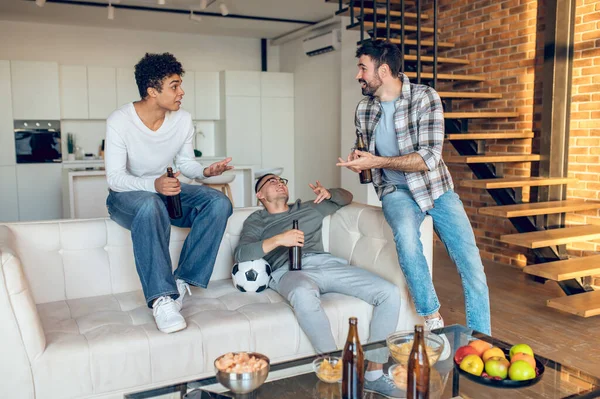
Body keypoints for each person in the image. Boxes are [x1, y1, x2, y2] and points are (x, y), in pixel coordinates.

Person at [337, 40, 491, 336]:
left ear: (383, 70)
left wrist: (377, 160)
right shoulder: (364, 109)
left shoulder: (424, 98)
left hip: (436, 189)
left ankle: (481, 337)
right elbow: (366, 152)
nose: (358, 75)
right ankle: (432, 318)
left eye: (362, 68)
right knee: (407, 240)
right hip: (397, 193)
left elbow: (429, 158)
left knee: (471, 266)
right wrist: (360, 163)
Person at [235, 174, 404, 397]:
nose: (279, 183)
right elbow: (241, 254)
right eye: (271, 181)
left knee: (389, 292)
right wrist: (279, 240)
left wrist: (330, 193)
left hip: (327, 264)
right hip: (289, 271)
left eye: (281, 180)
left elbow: (346, 197)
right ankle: (335, 369)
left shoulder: (308, 208)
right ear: (260, 194)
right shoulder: (257, 220)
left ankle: (373, 374)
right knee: (302, 293)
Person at [105, 52, 233, 334]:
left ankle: (182, 280)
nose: (181, 92)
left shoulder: (182, 119)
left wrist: (204, 173)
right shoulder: (120, 120)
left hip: (165, 190)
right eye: (174, 86)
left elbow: (185, 163)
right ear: (152, 91)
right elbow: (115, 179)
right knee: (151, 204)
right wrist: (153, 185)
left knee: (218, 203)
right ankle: (162, 298)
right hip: (127, 197)